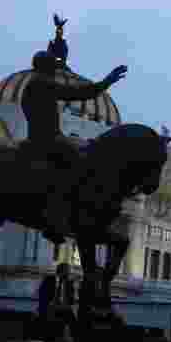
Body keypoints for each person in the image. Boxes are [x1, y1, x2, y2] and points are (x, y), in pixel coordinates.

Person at [21, 50, 127, 244]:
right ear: (46, 67)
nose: (55, 69)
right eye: (52, 65)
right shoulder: (41, 83)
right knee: (79, 165)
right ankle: (55, 219)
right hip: (47, 140)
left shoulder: (34, 83)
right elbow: (76, 93)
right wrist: (106, 82)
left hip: (43, 138)